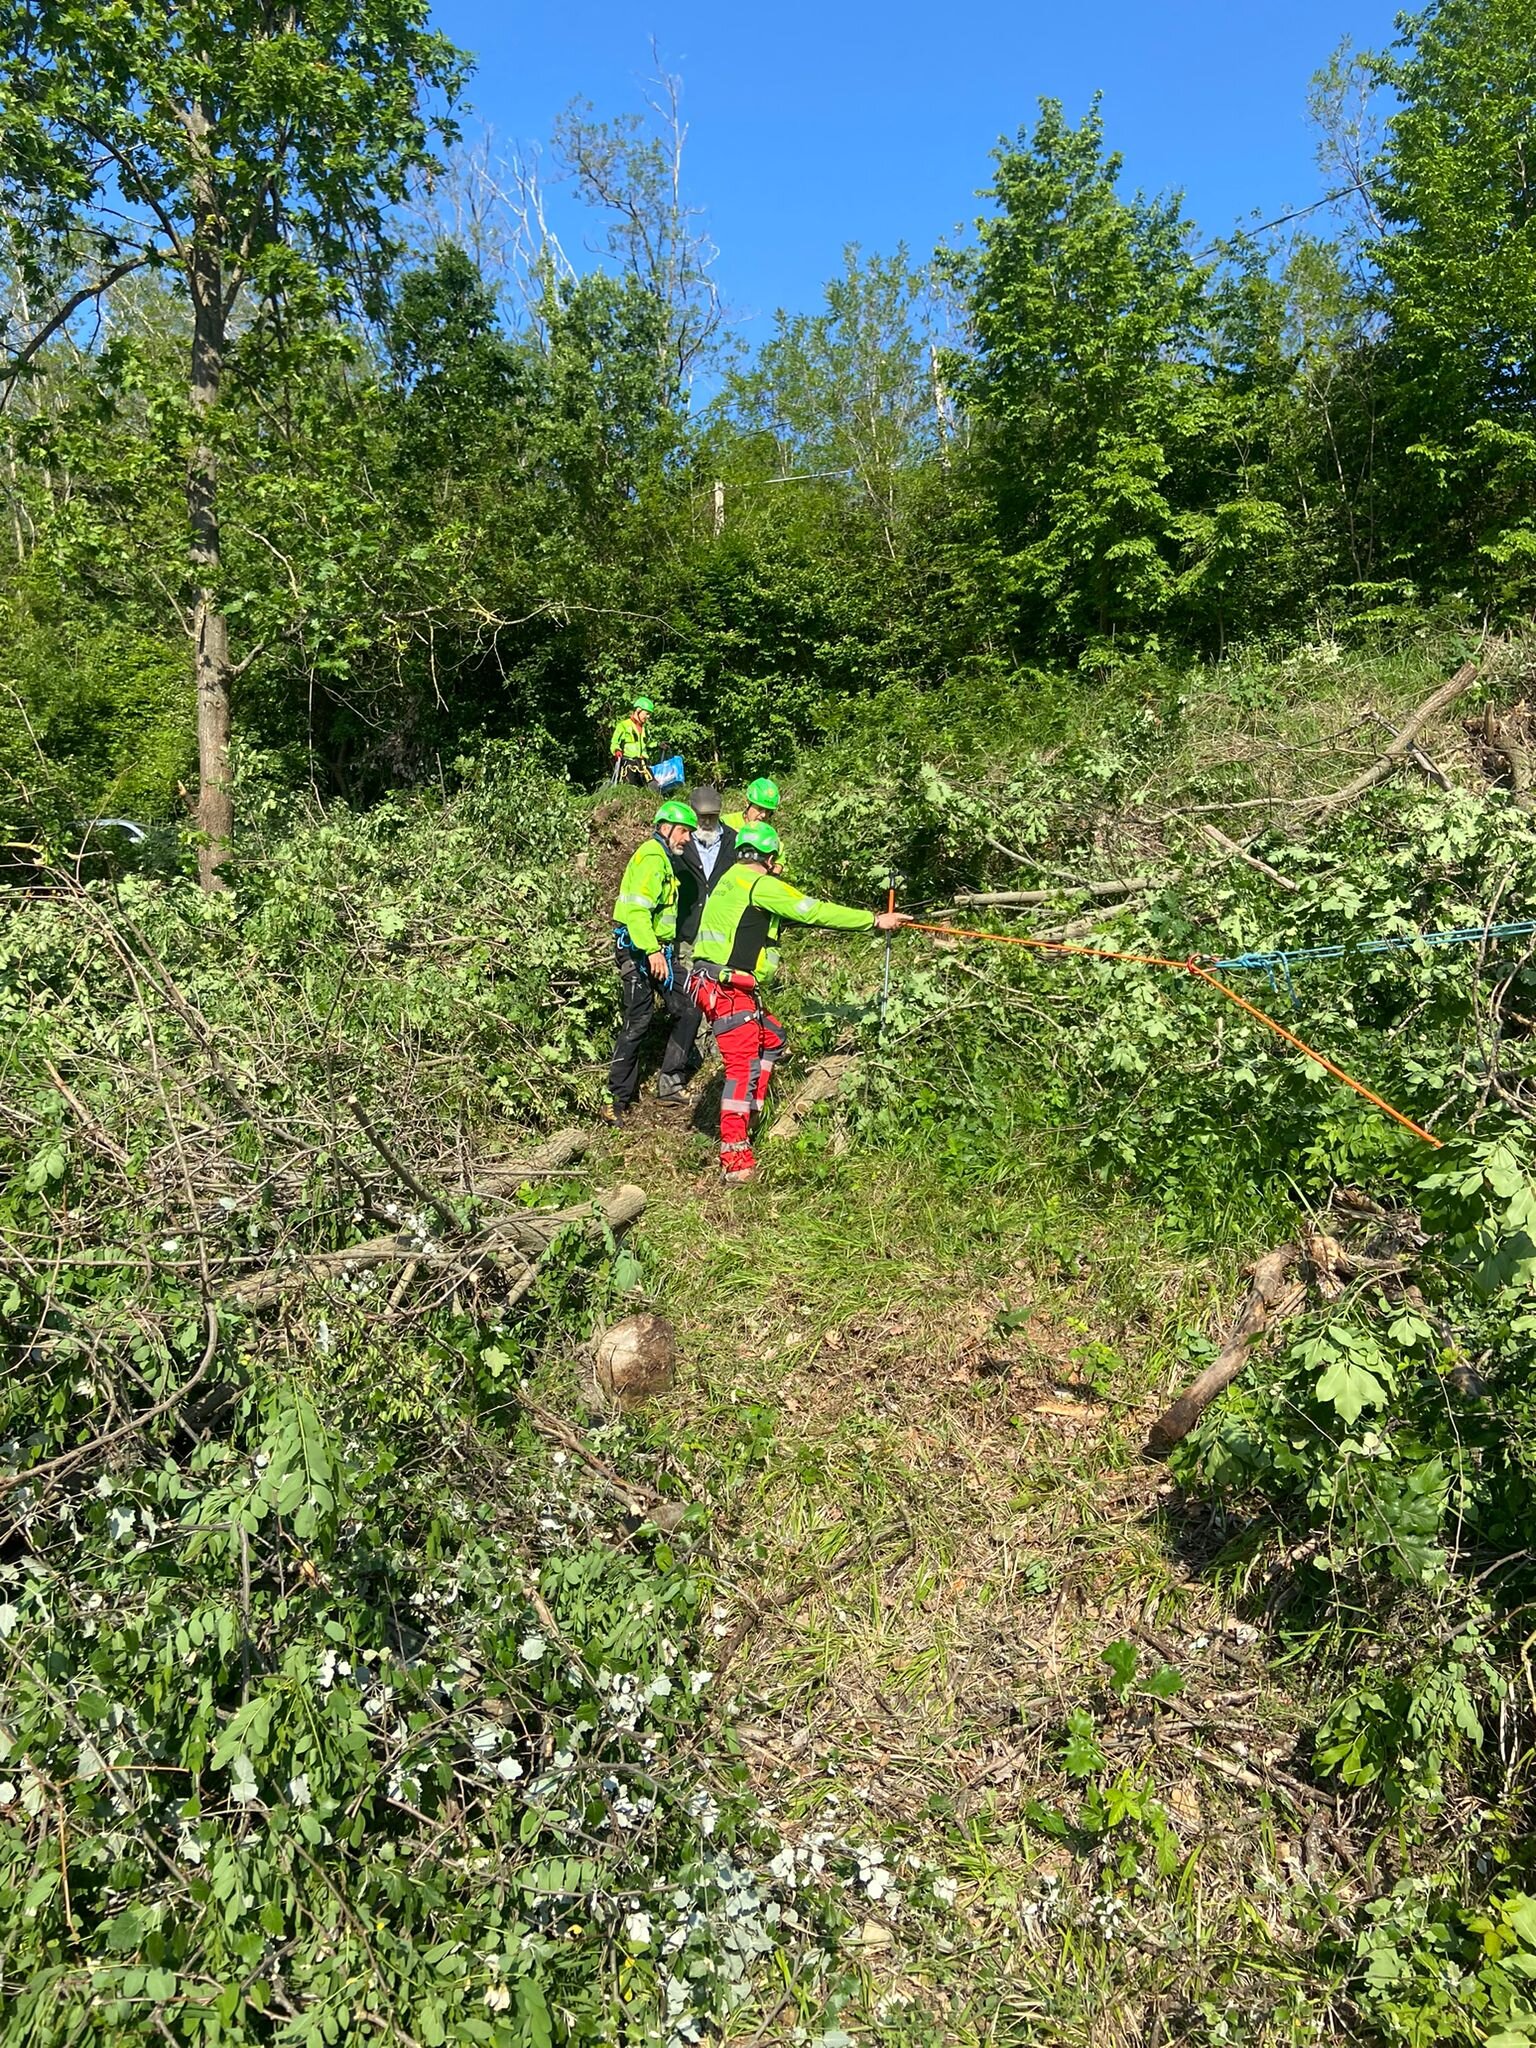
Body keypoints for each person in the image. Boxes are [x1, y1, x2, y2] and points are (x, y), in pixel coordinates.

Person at [686, 822, 908, 1182]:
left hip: (720, 985)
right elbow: (813, 910)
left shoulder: (729, 880)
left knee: (772, 1040)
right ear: (769, 857)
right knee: (741, 1071)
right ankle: (735, 1158)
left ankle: (753, 1111)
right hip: (727, 992)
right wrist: (873, 920)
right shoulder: (761, 884)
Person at [606, 800, 703, 1120]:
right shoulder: (651, 857)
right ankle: (616, 1100)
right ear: (665, 828)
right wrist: (651, 951)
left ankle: (669, 1084)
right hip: (640, 949)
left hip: (659, 950)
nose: (687, 838)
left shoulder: (662, 858)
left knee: (687, 1007)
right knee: (639, 1020)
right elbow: (636, 911)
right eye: (684, 831)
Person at [670, 785, 736, 966]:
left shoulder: (734, 841)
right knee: (685, 989)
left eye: (712, 816)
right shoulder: (680, 841)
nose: (706, 822)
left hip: (721, 935)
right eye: (702, 817)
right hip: (686, 931)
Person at [609, 697, 655, 785]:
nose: (648, 717)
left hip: (643, 764)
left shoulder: (645, 729)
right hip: (629, 764)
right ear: (638, 710)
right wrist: (616, 750)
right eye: (647, 714)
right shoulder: (623, 726)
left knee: (654, 787)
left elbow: (648, 743)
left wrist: (658, 745)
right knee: (630, 788)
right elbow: (614, 742)